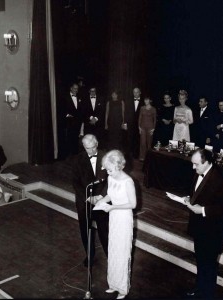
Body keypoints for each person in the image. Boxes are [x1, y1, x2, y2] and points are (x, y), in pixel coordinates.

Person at [182, 149, 223, 299]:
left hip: (212, 230)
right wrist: (189, 197)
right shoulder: (199, 171)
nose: (193, 168)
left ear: (207, 163)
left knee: (209, 263)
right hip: (199, 227)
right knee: (200, 260)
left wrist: (203, 210)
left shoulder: (221, 179)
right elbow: (197, 193)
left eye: (196, 164)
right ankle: (199, 288)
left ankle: (207, 293)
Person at [94, 150, 136, 299]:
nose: (108, 173)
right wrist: (101, 202)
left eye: (110, 170)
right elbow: (110, 195)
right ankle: (113, 284)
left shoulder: (128, 181)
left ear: (119, 166)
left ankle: (123, 289)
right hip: (113, 216)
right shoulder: (111, 178)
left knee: (122, 252)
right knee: (113, 250)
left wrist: (113, 207)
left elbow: (132, 204)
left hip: (123, 217)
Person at [72, 134, 109, 267]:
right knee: (85, 230)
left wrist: (101, 197)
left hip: (102, 199)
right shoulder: (77, 160)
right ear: (83, 147)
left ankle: (110, 256)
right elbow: (75, 182)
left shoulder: (107, 157)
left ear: (97, 143)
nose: (91, 151)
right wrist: (88, 197)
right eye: (88, 148)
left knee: (104, 230)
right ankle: (90, 255)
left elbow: (111, 180)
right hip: (84, 201)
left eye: (93, 147)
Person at [62, 82, 84, 159]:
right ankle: (67, 156)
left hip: (77, 122)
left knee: (75, 139)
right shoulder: (65, 97)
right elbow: (61, 109)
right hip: (68, 122)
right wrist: (67, 115)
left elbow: (81, 110)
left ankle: (75, 156)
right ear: (71, 88)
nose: (76, 90)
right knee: (68, 139)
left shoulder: (79, 97)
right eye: (74, 88)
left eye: (77, 89)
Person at [123, 87, 143, 159]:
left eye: (137, 92)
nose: (135, 93)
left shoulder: (144, 102)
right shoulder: (128, 101)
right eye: (134, 92)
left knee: (138, 139)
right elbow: (125, 112)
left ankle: (136, 154)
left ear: (140, 92)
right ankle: (128, 155)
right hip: (130, 123)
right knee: (129, 138)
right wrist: (125, 123)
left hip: (140, 124)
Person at [138, 96, 157, 161]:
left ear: (150, 101)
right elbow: (140, 118)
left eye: (147, 100)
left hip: (150, 127)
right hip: (142, 127)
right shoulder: (142, 108)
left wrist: (153, 128)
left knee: (149, 143)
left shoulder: (153, 109)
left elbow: (155, 119)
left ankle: (148, 157)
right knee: (142, 143)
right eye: (145, 100)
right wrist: (139, 127)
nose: (145, 101)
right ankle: (142, 156)